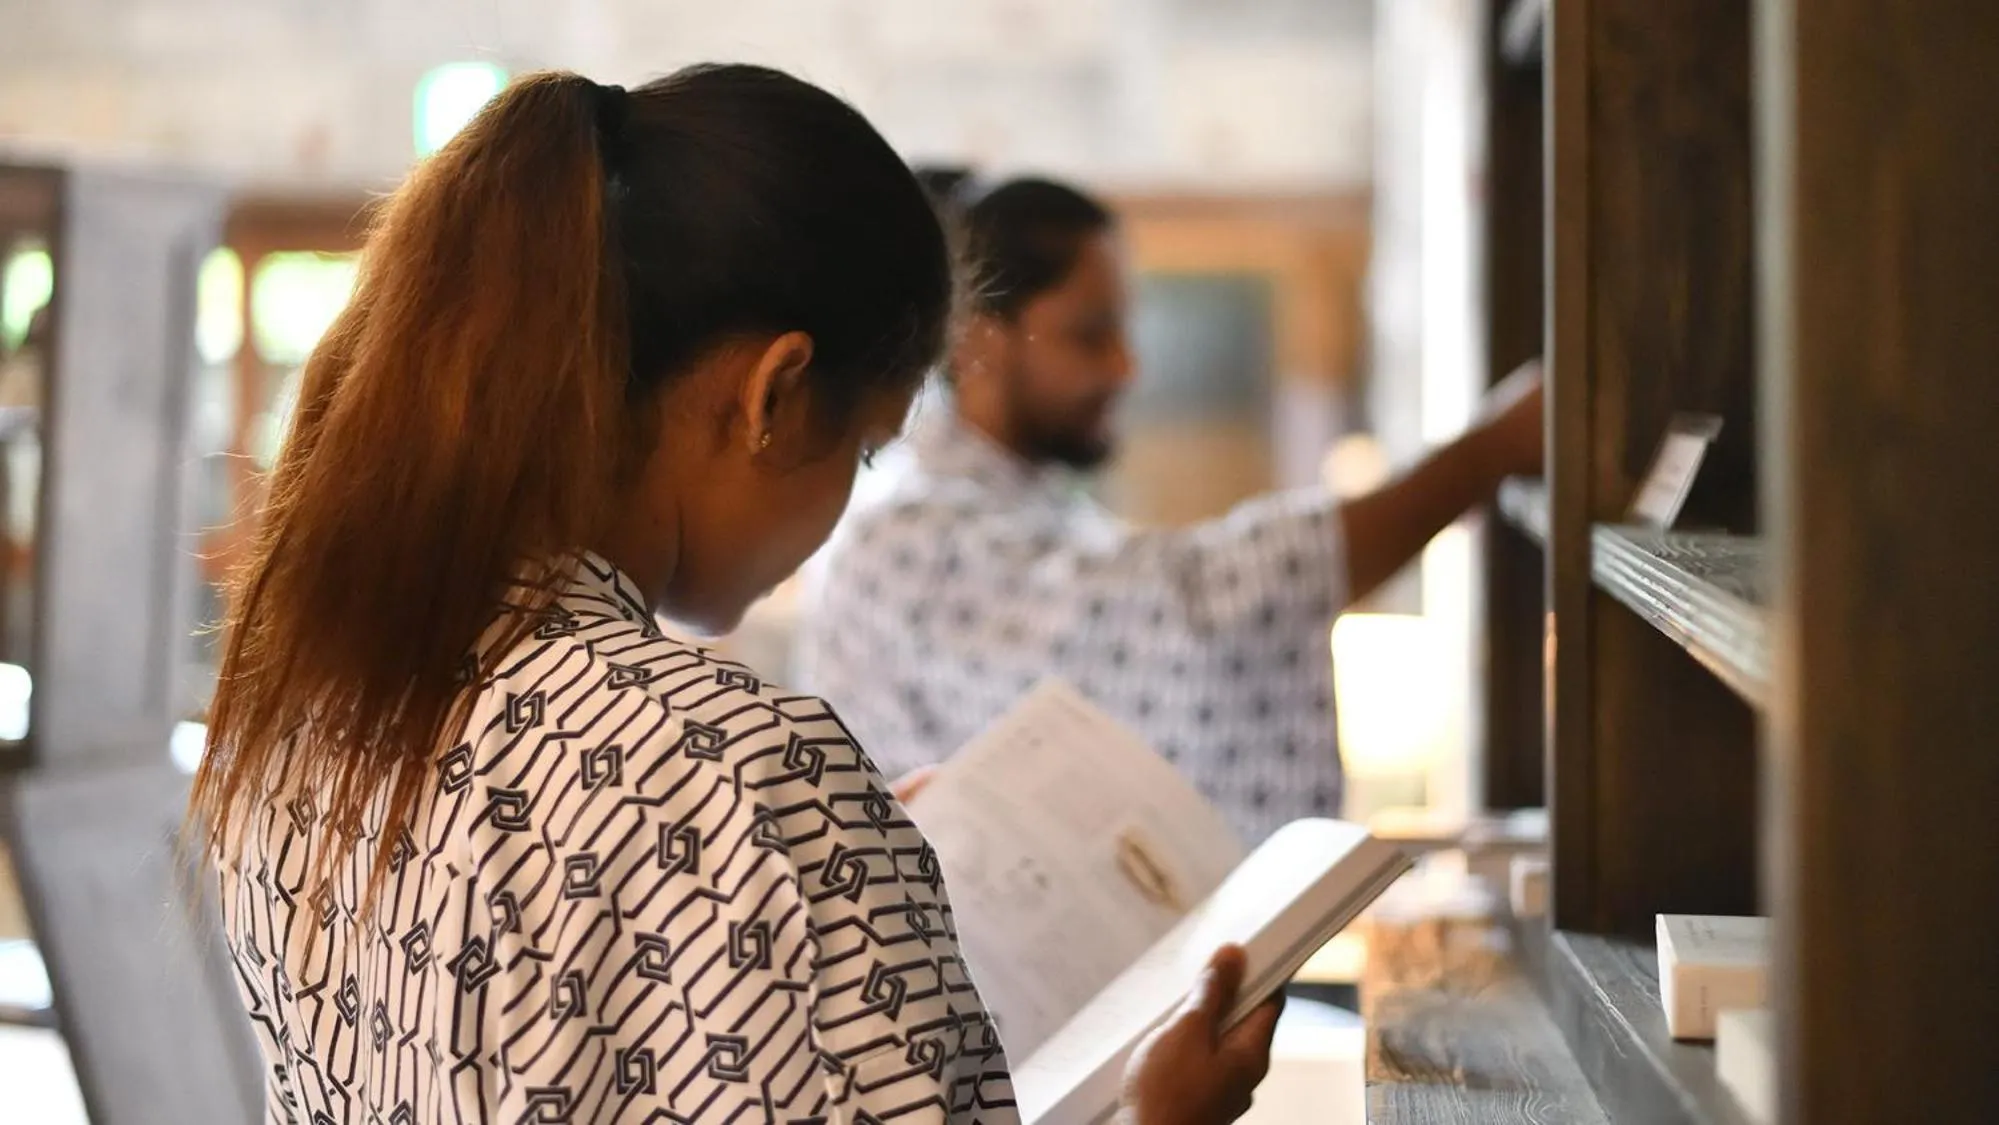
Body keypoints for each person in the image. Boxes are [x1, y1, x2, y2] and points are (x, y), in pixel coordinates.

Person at [188, 69, 1278, 1125]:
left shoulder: (308, 703)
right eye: (863, 448)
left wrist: (817, 868)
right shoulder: (746, 771)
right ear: (774, 395)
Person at [797, 176, 1544, 843]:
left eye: (1124, 330)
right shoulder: (908, 531)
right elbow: (1192, 611)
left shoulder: (1007, 500)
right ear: (977, 342)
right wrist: (1484, 454)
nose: (1126, 367)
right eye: (1091, 335)